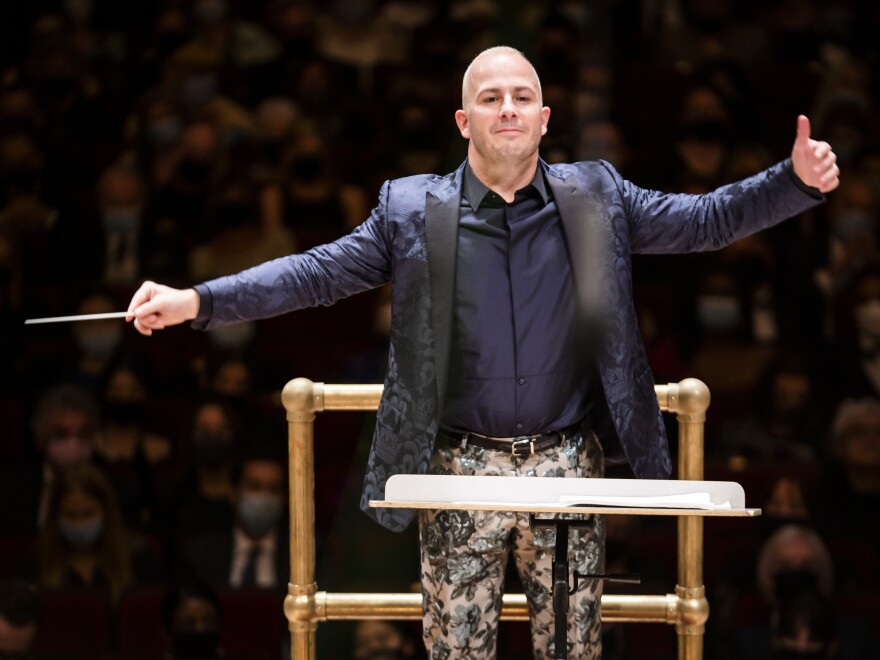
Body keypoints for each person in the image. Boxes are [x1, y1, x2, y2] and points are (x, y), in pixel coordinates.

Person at [126, 46, 839, 659]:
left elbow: (706, 222)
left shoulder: (597, 195)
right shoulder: (410, 209)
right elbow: (315, 273)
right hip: (458, 463)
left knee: (572, 647)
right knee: (456, 649)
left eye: (522, 97)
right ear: (464, 120)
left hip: (564, 459)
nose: (508, 108)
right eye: (490, 98)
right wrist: (200, 301)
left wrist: (792, 182)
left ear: (544, 118)